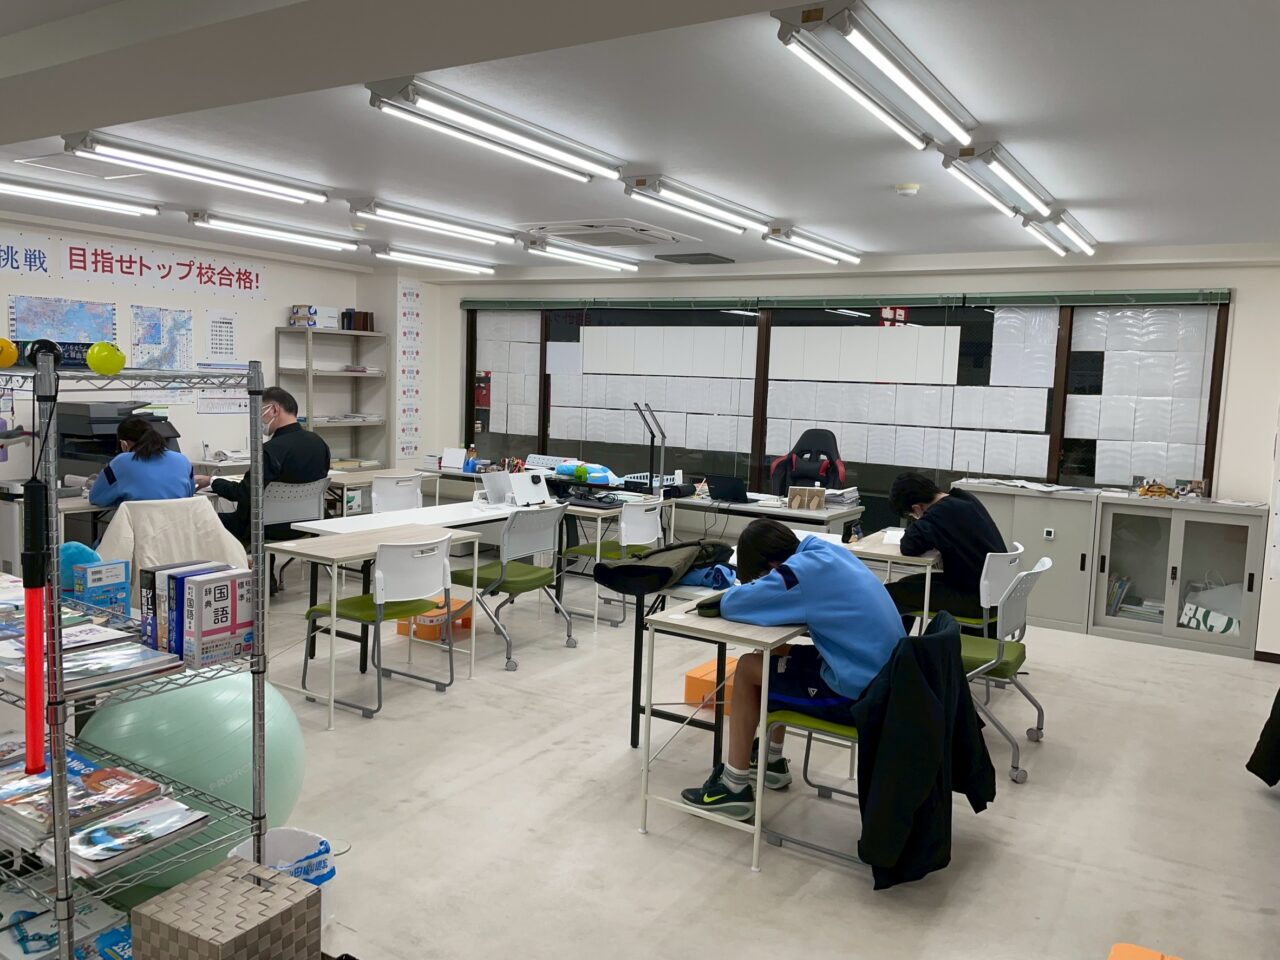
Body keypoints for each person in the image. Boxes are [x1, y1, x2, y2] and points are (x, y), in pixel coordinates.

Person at [679, 519, 903, 821]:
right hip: (888, 678)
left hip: (860, 697)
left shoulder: (797, 573)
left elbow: (734, 604)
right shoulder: (826, 552)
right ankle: (771, 760)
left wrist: (755, 587)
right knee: (777, 655)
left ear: (772, 565)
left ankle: (734, 787)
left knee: (748, 668)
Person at [195, 386, 330, 543]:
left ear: (274, 410)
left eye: (259, 412)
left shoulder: (270, 450)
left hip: (266, 526)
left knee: (199, 520)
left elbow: (244, 494)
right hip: (309, 523)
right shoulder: (318, 442)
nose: (258, 419)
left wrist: (211, 481)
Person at [885, 472, 1008, 630]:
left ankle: (894, 643)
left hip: (975, 600)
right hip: (990, 593)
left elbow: (908, 546)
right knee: (905, 584)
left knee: (891, 594)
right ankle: (901, 640)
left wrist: (921, 520)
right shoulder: (963, 498)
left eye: (912, 515)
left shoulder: (938, 513)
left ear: (916, 508)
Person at [88, 417, 194, 507]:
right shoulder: (183, 461)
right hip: (177, 524)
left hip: (139, 525)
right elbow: (189, 493)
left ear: (124, 444)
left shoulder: (120, 463)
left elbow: (95, 498)